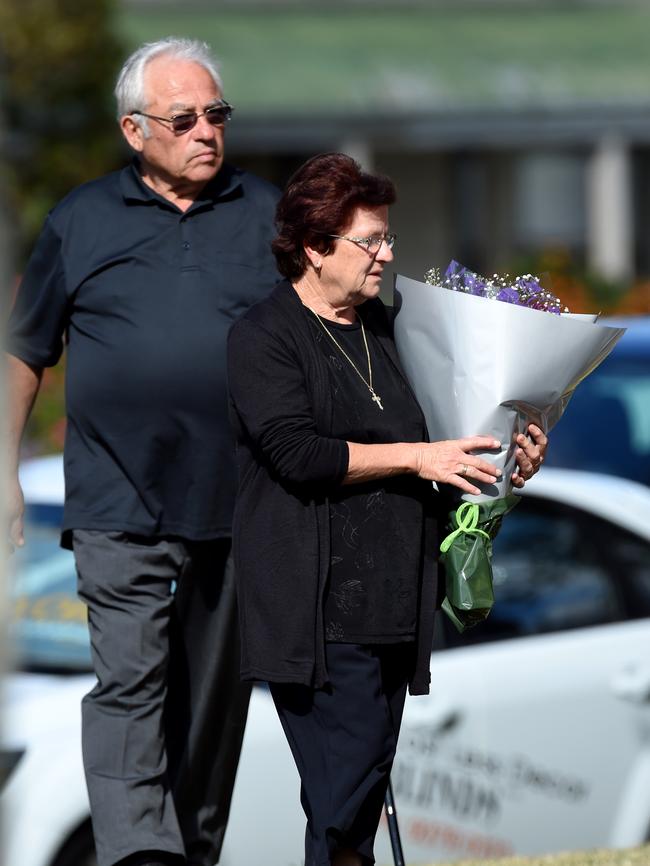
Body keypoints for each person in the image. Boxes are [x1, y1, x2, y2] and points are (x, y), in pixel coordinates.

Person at [227, 152, 547, 866]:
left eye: (387, 238)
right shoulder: (263, 337)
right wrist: (416, 456)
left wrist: (508, 461)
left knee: (353, 806)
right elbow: (299, 455)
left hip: (392, 603)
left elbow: (451, 441)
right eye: (370, 241)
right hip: (313, 612)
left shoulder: (393, 330)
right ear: (314, 248)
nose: (387, 254)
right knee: (347, 792)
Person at [6, 38, 280, 866]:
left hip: (240, 501)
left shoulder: (269, 215)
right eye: (184, 117)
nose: (206, 131)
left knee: (212, 702)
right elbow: (24, 348)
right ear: (134, 130)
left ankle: (189, 852)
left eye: (216, 115)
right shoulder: (80, 220)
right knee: (128, 685)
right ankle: (139, 857)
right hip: (116, 500)